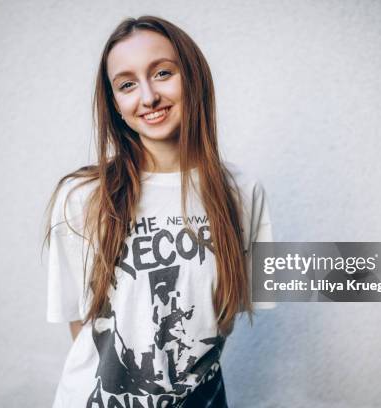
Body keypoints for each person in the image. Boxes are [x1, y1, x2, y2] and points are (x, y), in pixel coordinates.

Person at [43, 15, 273, 408]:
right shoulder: (81, 196)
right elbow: (81, 325)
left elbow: (227, 313)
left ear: (193, 77)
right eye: (127, 84)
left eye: (163, 73)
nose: (148, 97)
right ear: (115, 104)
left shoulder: (243, 191)